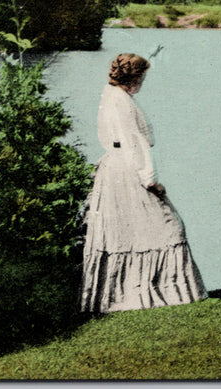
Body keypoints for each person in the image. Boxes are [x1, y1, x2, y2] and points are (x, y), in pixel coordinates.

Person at [80, 53, 206, 314]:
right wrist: (150, 181)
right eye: (142, 77)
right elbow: (134, 143)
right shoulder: (122, 102)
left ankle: (120, 296)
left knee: (123, 233)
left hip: (112, 169)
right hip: (127, 169)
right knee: (169, 227)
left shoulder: (110, 95)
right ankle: (167, 294)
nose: (143, 82)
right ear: (134, 78)